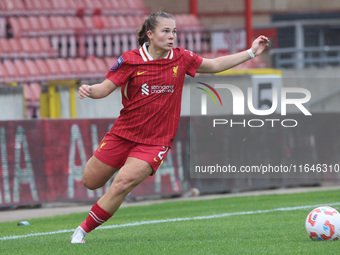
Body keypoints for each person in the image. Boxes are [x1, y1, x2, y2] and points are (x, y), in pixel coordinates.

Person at [71, 11, 269, 244]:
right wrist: (89, 90)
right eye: (165, 31)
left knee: (121, 183)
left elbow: (214, 65)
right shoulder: (130, 60)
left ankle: (81, 231)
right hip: (122, 133)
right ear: (150, 34)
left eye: (174, 31)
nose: (171, 36)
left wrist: (250, 52)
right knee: (90, 181)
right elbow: (104, 89)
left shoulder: (181, 58)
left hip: (156, 141)